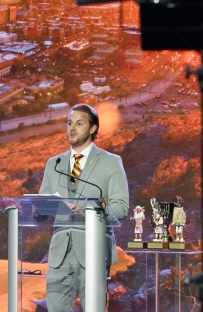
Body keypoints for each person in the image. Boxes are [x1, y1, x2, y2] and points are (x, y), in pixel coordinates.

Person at [38, 103, 129, 312]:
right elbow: (42, 206)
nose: (71, 128)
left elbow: (121, 208)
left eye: (79, 123)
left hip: (94, 251)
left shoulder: (111, 163)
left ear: (93, 128)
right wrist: (38, 211)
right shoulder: (54, 164)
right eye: (69, 123)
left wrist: (87, 211)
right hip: (60, 254)